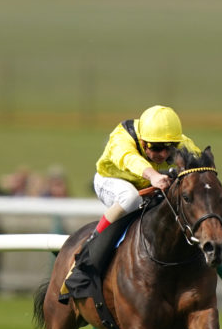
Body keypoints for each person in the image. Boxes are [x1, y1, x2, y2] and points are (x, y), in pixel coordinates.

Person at [60, 105, 201, 301]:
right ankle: (87, 256)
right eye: (156, 148)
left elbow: (199, 162)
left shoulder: (179, 142)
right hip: (111, 181)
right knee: (130, 197)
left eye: (169, 148)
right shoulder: (122, 136)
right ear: (142, 141)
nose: (163, 153)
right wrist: (153, 175)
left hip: (148, 185)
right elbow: (129, 159)